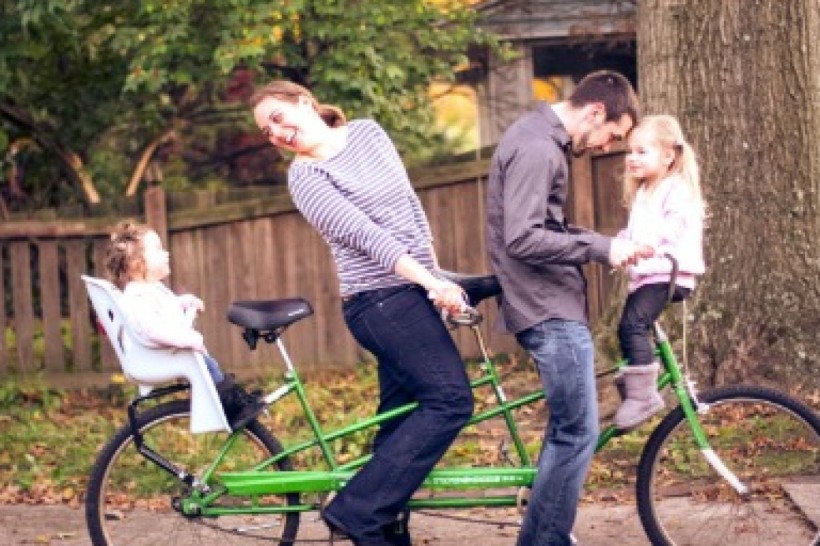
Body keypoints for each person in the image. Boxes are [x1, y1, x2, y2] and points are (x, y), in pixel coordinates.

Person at [249, 80, 473, 546]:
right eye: (267, 131)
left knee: (400, 418)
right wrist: (431, 283)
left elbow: (410, 208)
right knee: (450, 400)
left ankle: (382, 534)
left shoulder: (369, 133)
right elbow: (369, 237)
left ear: (304, 102)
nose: (276, 133)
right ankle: (356, 511)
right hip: (379, 302)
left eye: (277, 118)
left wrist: (436, 281)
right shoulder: (305, 177)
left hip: (413, 292)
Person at [485, 70, 650, 546]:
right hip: (547, 309)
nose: (606, 146)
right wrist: (600, 248)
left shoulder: (539, 140)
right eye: (611, 135)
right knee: (577, 432)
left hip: (550, 304)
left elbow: (546, 229)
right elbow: (523, 237)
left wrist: (606, 243)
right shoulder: (538, 148)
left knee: (568, 430)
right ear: (595, 112)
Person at [104, 222, 266, 431]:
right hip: (156, 357)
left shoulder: (149, 289)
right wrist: (185, 339)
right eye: (158, 249)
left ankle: (232, 399)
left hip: (162, 354)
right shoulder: (137, 297)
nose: (166, 253)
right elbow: (152, 329)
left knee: (209, 366)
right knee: (208, 367)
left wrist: (184, 302)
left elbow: (164, 309)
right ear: (138, 264)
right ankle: (232, 406)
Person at [613, 114, 706, 429]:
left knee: (633, 325)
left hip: (668, 274)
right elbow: (634, 232)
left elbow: (675, 224)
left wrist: (646, 244)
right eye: (630, 151)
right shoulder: (644, 191)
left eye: (642, 151)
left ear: (668, 156)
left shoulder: (675, 188)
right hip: (649, 275)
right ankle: (635, 388)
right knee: (626, 329)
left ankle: (643, 397)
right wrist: (618, 246)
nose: (632, 158)